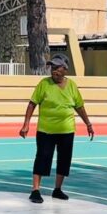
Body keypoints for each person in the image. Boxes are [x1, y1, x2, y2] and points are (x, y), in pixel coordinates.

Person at [19, 53, 94, 203]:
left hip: (66, 130)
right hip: (46, 130)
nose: (54, 70)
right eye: (52, 67)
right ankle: (35, 190)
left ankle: (57, 189)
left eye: (57, 67)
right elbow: (32, 104)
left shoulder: (72, 85)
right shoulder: (44, 84)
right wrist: (26, 124)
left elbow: (79, 107)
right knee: (42, 158)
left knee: (64, 159)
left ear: (65, 69)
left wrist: (88, 124)